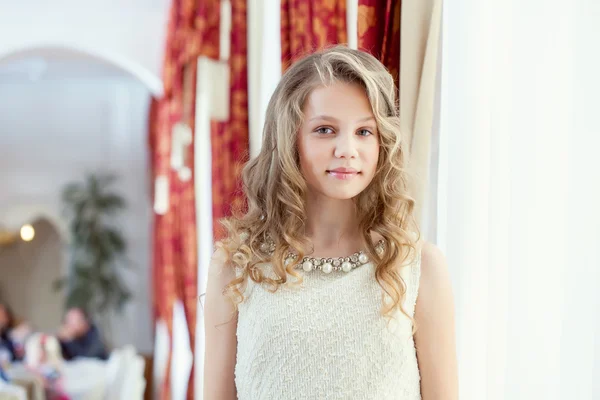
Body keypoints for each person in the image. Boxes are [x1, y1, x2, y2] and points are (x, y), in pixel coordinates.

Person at [203, 46, 458, 399]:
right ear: (289, 138)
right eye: (325, 129)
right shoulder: (237, 264)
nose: (347, 149)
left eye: (364, 132)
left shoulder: (419, 266)